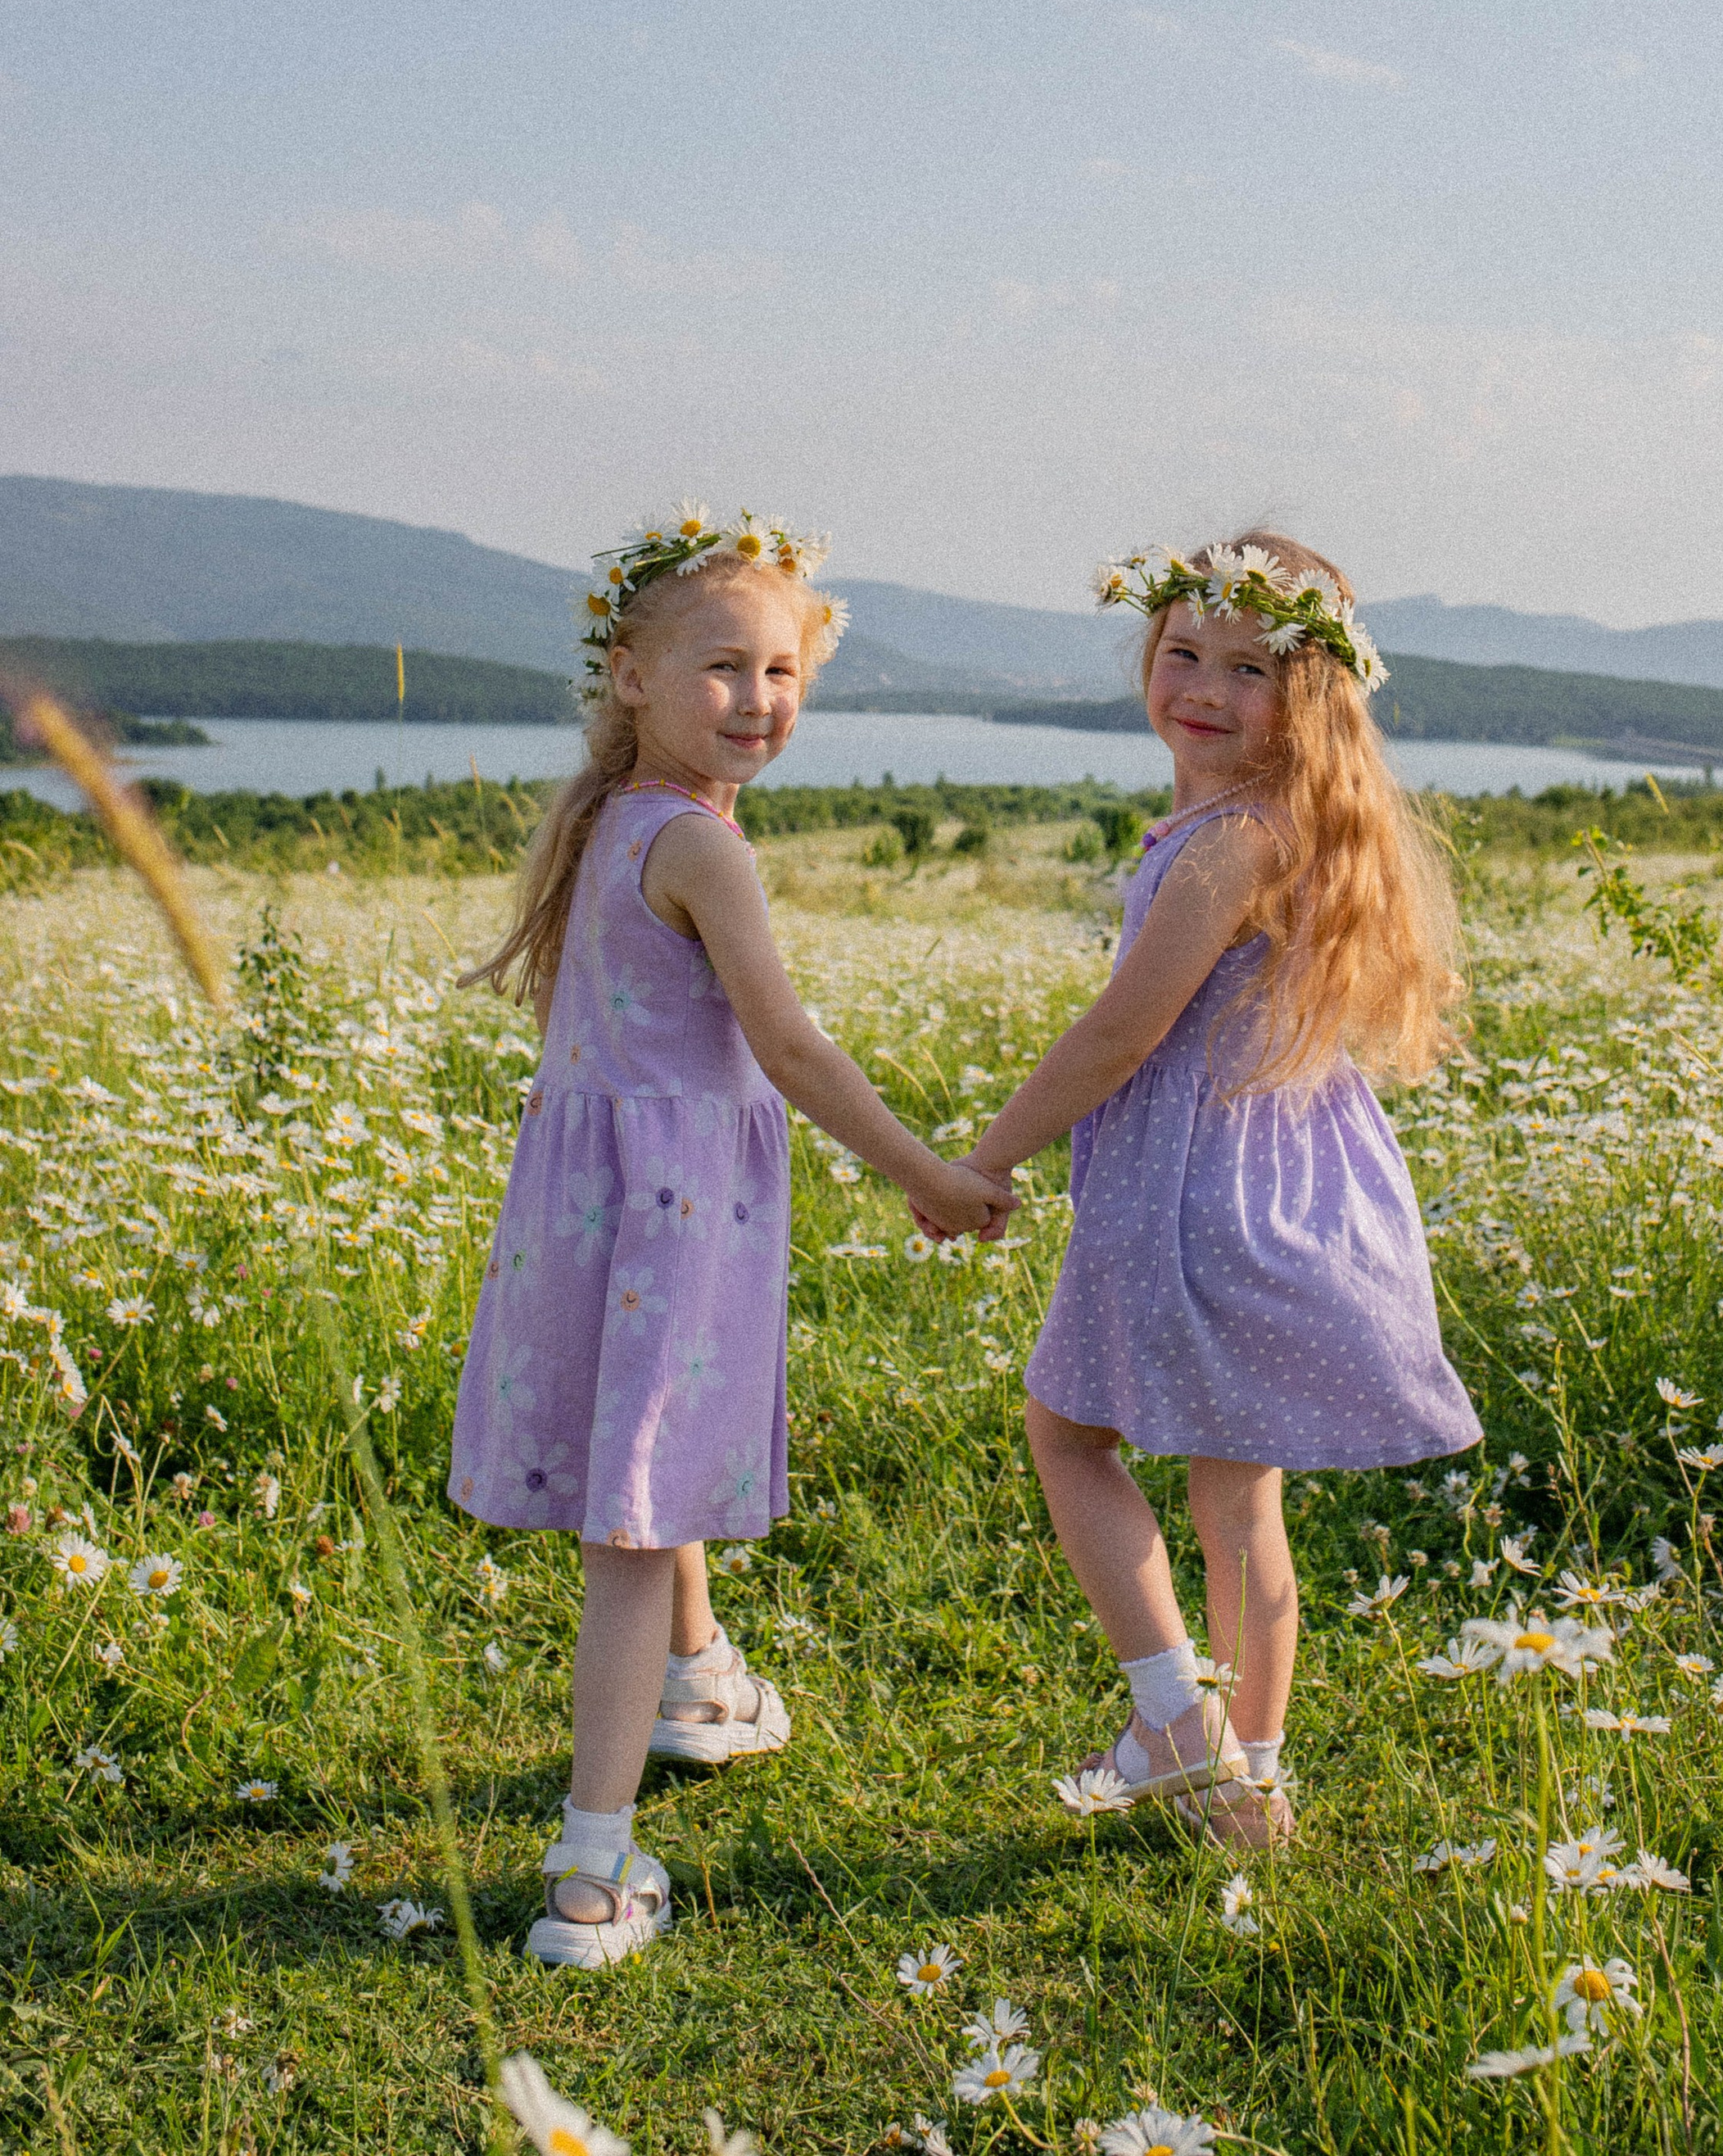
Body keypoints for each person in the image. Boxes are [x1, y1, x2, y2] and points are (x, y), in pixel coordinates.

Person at [450, 507, 1003, 1968]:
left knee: (651, 1453)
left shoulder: (610, 815)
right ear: (629, 672)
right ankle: (590, 1868)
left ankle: (698, 1680)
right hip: (676, 1219)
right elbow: (794, 1047)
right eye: (723, 667)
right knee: (636, 1515)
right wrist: (927, 1172)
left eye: (783, 670)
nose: (759, 699)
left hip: (601, 1208)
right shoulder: (703, 848)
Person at [959, 532, 1477, 1853]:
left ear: (1307, 696)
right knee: (1236, 1501)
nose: (1202, 683)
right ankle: (1252, 1781)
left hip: (1191, 1192)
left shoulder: (1232, 841)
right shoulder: (1269, 828)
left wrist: (993, 1150)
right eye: (1181, 651)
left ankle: (1171, 1724)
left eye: (1248, 666)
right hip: (1272, 1184)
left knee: (1069, 1434)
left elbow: (1120, 1032)